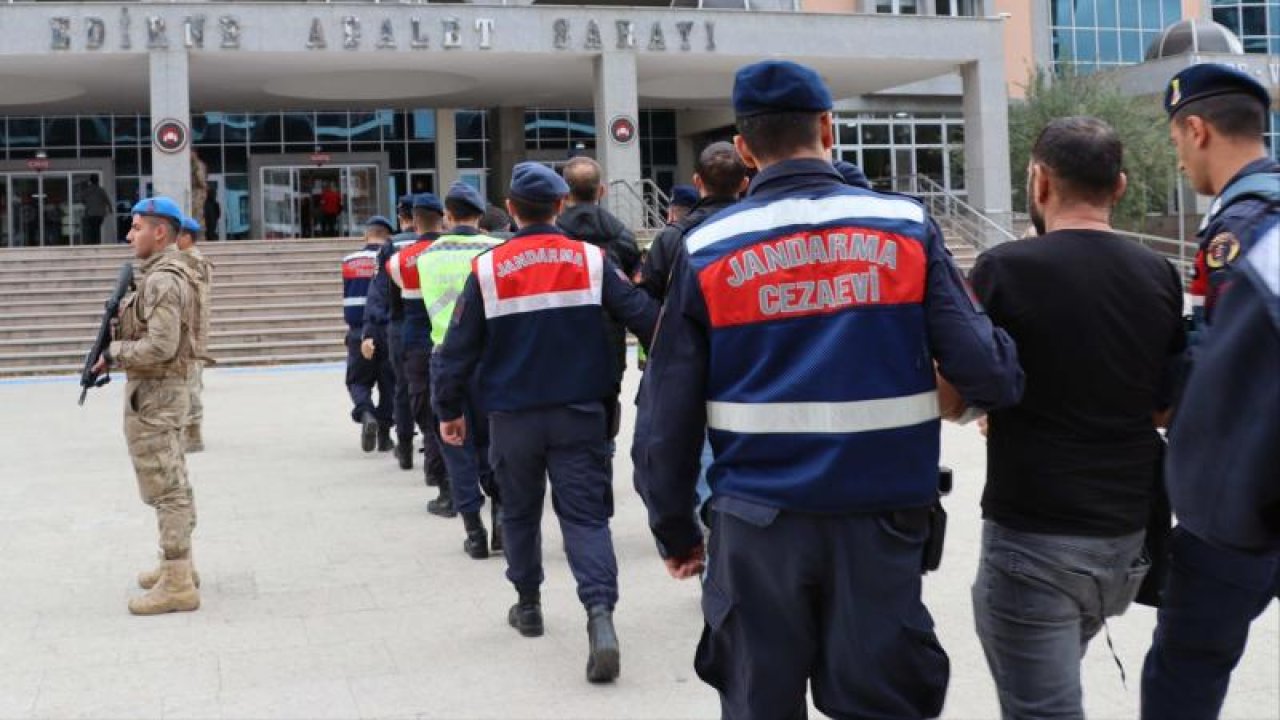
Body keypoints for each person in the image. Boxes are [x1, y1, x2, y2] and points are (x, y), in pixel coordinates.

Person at [633, 60, 1024, 718]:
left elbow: (664, 419)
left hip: (757, 532)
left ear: (748, 148)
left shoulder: (709, 247)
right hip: (880, 523)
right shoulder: (904, 229)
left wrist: (675, 531)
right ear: (827, 127)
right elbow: (986, 374)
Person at [966, 117, 1185, 720]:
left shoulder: (1004, 269)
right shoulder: (1159, 274)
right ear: (1118, 186)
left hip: (1035, 540)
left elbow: (958, 394)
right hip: (1125, 542)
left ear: (1038, 183)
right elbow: (1163, 402)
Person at [433, 162, 659, 683]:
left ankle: (529, 605)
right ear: (561, 206)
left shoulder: (488, 269)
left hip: (512, 419)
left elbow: (456, 352)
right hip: (580, 415)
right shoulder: (593, 260)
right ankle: (599, 616)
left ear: (510, 210)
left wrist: (448, 412)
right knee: (584, 519)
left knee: (518, 512)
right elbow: (647, 318)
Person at [1141, 64, 1280, 720]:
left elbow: (1225, 369)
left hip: (1240, 511)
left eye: (1174, 141)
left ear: (1195, 130)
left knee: (1182, 675)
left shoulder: (1246, 231)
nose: (1179, 158)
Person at [91, 197, 202, 615]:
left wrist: (116, 351)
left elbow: (161, 345)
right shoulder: (162, 274)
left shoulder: (163, 280)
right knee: (172, 479)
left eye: (136, 227)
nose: (128, 235)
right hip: (158, 396)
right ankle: (179, 566)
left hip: (157, 398)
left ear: (159, 232)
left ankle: (177, 582)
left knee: (167, 487)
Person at [418, 182, 504, 558]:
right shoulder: (498, 251)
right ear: (480, 216)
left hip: (446, 357)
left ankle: (473, 531)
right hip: (492, 358)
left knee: (456, 446)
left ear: (447, 217)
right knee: (496, 443)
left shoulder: (426, 256)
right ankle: (503, 521)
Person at [555, 156, 644, 447]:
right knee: (606, 418)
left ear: (563, 194)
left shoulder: (555, 238)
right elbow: (634, 288)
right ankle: (602, 461)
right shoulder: (622, 236)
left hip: (562, 340)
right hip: (609, 344)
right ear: (601, 191)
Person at [388, 193, 452, 515]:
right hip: (453, 339)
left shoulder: (399, 259)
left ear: (413, 219)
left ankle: (439, 478)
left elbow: (394, 305)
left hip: (416, 342)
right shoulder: (457, 253)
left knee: (426, 412)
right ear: (443, 217)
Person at [639, 142, 748, 301]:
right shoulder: (763, 229)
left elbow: (649, 299)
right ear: (744, 184)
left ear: (697, 181)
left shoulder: (670, 237)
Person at [362, 195, 418, 470]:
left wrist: (370, 331)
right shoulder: (438, 243)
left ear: (401, 217)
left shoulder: (391, 246)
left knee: (402, 389)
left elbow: (379, 293)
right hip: (439, 327)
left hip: (399, 326)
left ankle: (405, 447)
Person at [343, 217, 396, 453]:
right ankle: (384, 435)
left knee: (358, 380)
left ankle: (365, 413)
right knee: (389, 384)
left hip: (357, 332)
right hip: (386, 330)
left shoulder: (349, 261)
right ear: (388, 237)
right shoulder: (391, 261)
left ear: (366, 236)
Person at [175, 216, 214, 454]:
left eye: (176, 235)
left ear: (187, 237)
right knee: (188, 383)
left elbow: (192, 302)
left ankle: (193, 433)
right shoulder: (190, 261)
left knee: (190, 383)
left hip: (190, 334)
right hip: (189, 333)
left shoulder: (191, 263)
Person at [81, 176, 112, 245]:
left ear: (91, 181)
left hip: (90, 213)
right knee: (97, 228)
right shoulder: (101, 190)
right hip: (99, 214)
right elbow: (107, 200)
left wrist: (88, 204)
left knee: (91, 229)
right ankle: (97, 243)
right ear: (97, 181)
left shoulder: (87, 190)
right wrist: (110, 209)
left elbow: (82, 199)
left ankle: (93, 243)